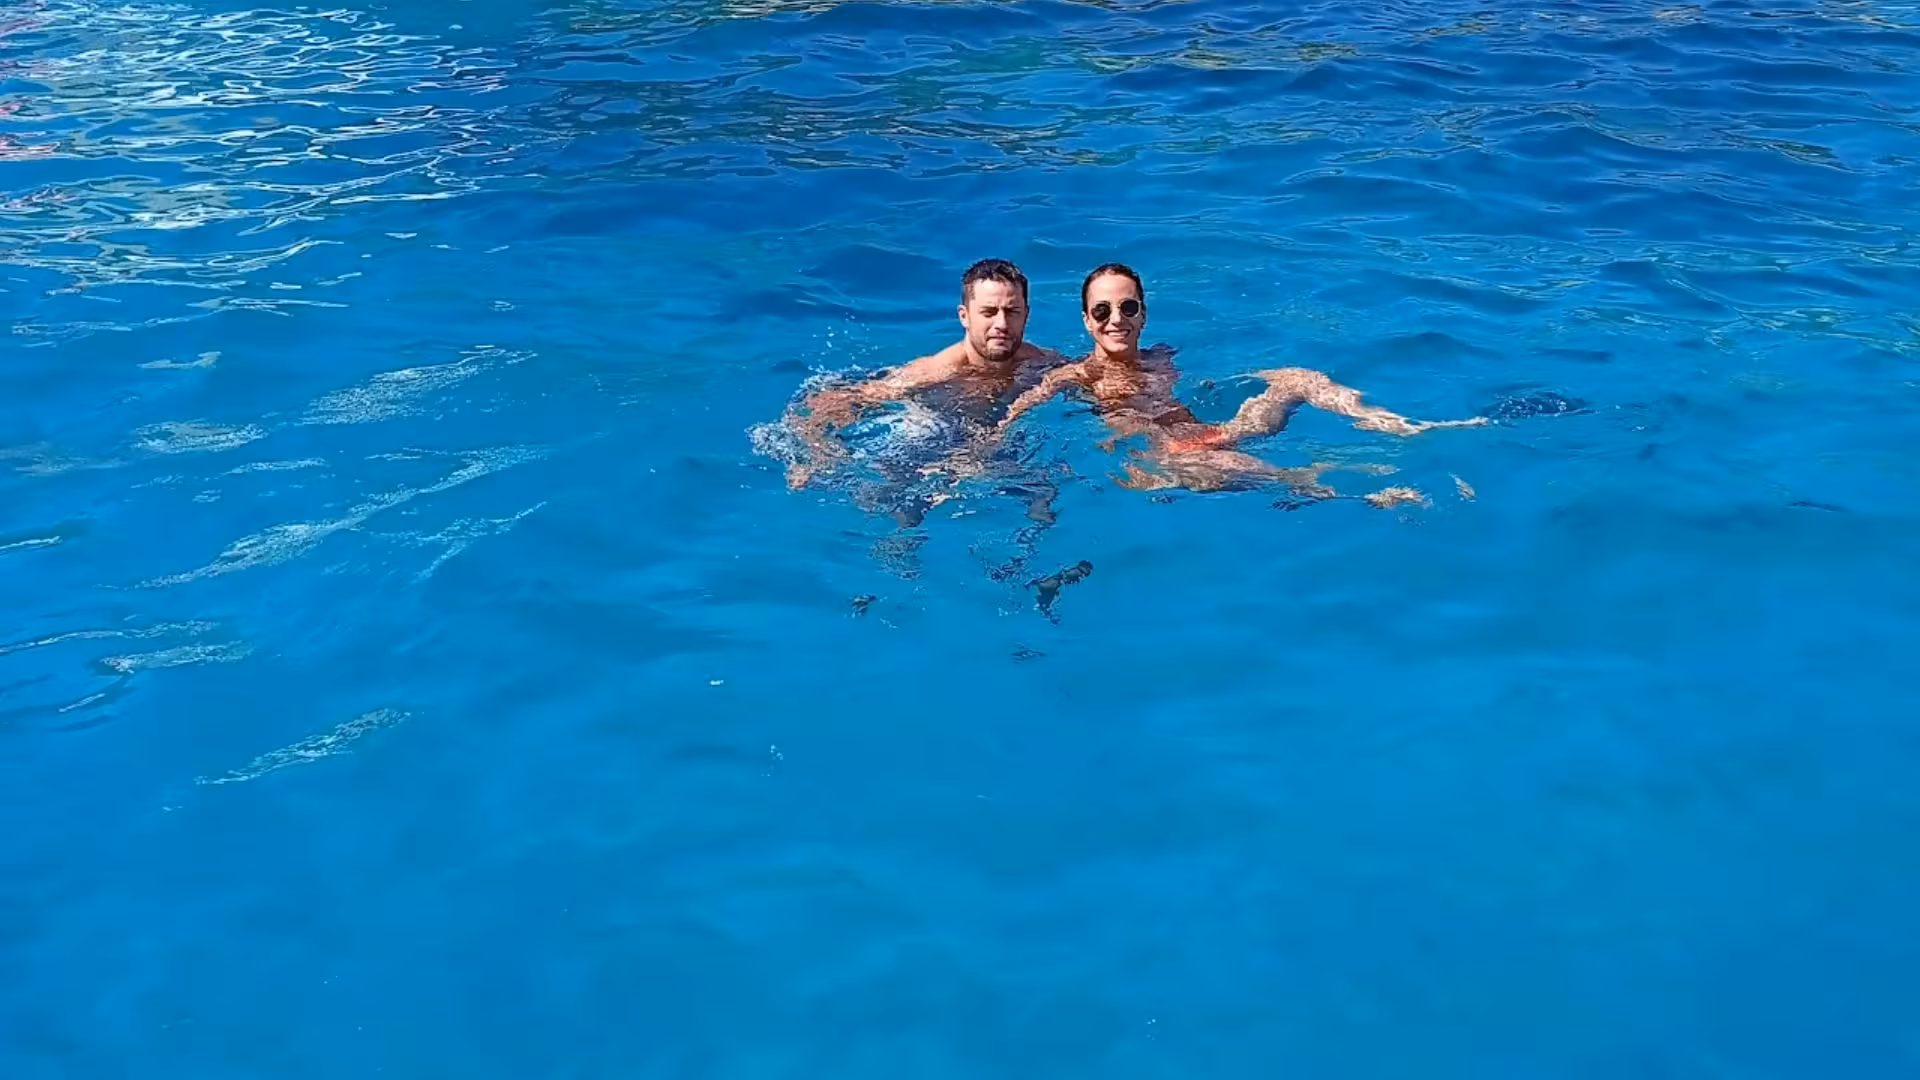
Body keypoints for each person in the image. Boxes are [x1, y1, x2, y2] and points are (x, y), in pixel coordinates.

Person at [989, 262, 1485, 500]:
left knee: (1297, 377)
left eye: (1127, 307)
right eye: (1102, 310)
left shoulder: (1160, 357)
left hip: (1209, 434)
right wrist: (986, 447)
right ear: (1087, 321)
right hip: (1165, 456)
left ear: (1143, 314)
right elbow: (1023, 407)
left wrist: (1259, 377)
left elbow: (1221, 382)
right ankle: (1368, 493)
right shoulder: (1079, 374)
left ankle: (1397, 426)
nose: (1116, 319)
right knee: (1274, 475)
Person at [781, 257, 1062, 493]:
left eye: (1012, 312)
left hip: (997, 446)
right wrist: (814, 455)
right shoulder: (935, 372)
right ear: (964, 316)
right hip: (931, 444)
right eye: (988, 312)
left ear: (1026, 315)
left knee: (1045, 493)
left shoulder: (1043, 363)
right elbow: (835, 400)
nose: (1001, 323)